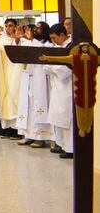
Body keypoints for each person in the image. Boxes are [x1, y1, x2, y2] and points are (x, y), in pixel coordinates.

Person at [15, 25, 53, 148]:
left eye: (38, 29)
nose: (35, 31)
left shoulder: (48, 45)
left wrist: (32, 40)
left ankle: (40, 136)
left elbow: (40, 52)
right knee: (27, 105)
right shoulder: (29, 42)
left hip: (40, 79)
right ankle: (28, 135)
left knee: (38, 105)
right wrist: (18, 40)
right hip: (27, 76)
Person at [47, 24, 73, 158]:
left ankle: (71, 148)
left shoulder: (71, 47)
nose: (53, 41)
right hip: (58, 88)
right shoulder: (59, 47)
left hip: (67, 88)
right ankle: (63, 145)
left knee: (67, 118)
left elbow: (66, 70)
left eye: (54, 38)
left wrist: (52, 67)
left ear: (62, 35)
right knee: (58, 117)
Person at [0, 18, 22, 138]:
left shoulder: (22, 39)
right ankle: (7, 128)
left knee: (16, 97)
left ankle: (17, 129)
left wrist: (17, 40)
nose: (8, 28)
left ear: (16, 27)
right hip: (4, 72)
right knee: (5, 99)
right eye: (6, 26)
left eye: (10, 26)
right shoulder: (1, 39)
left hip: (16, 72)